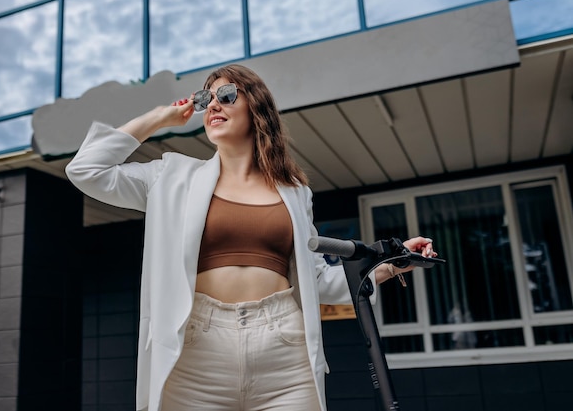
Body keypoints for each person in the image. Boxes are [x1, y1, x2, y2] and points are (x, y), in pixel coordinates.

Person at [65, 64, 437, 411]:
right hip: (196, 351)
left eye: (226, 95)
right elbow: (87, 170)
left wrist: (392, 263)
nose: (213, 104)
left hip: (283, 351)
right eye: (204, 98)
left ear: (256, 106)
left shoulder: (294, 191)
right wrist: (161, 117)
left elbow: (318, 280)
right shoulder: (172, 177)